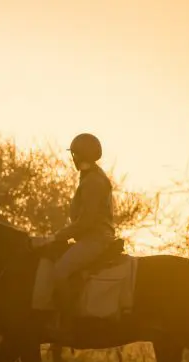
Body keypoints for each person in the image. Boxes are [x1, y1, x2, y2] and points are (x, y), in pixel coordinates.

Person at [36, 133, 116, 342]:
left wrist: (57, 236)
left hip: (96, 238)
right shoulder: (91, 177)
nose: (72, 158)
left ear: (80, 155)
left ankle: (69, 324)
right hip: (92, 237)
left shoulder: (92, 182)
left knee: (60, 271)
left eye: (74, 154)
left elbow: (86, 221)